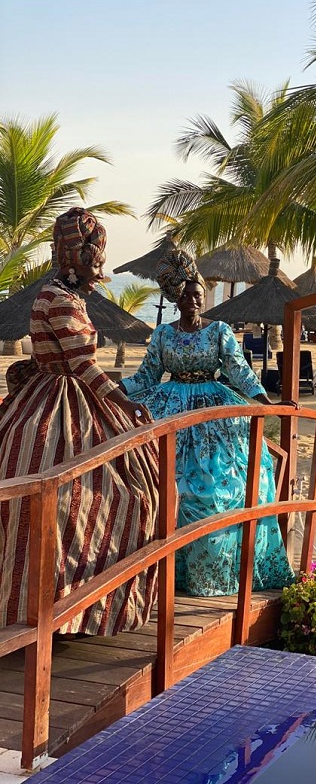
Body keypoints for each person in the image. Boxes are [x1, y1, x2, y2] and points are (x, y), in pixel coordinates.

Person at [0, 208, 159, 636]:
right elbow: (82, 366)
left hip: (58, 401)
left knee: (118, 493)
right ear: (73, 254)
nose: (99, 262)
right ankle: (53, 612)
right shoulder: (57, 298)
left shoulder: (61, 294)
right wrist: (125, 404)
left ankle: (69, 611)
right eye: (93, 253)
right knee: (86, 498)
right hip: (60, 406)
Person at [120, 248, 295, 596]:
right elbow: (148, 376)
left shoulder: (219, 331)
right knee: (171, 489)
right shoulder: (163, 335)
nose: (193, 300)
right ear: (176, 299)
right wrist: (113, 390)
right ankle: (169, 573)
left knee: (223, 489)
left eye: (198, 295)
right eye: (186, 295)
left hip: (216, 412)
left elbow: (238, 370)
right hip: (171, 409)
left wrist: (266, 401)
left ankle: (223, 572)